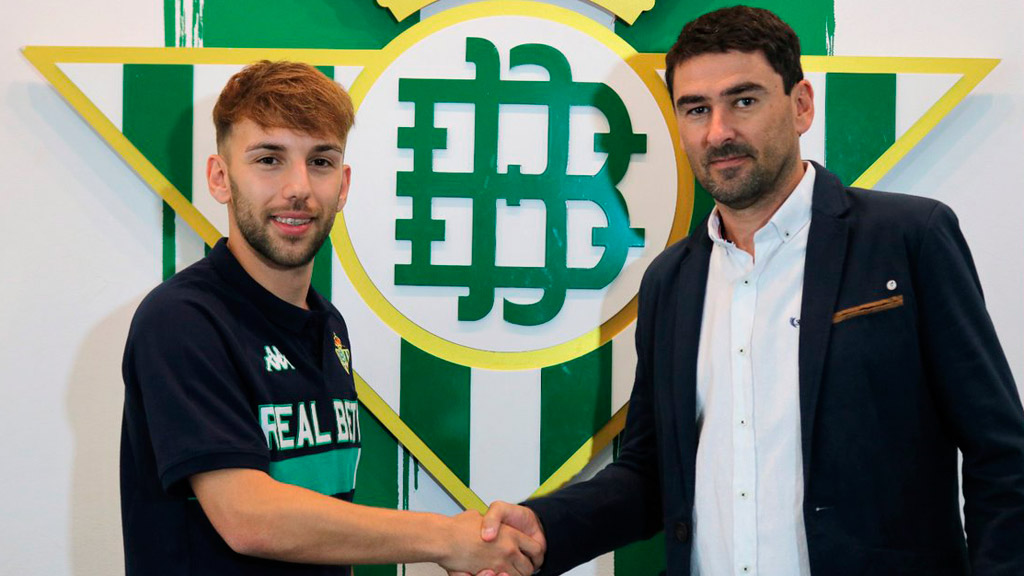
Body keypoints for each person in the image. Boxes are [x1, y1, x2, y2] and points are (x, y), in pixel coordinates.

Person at [469, 6, 1024, 575]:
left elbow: (1002, 455)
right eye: (696, 109)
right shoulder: (670, 282)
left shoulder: (909, 239)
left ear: (801, 105)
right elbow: (651, 471)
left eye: (744, 101)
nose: (719, 132)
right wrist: (546, 529)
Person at [120, 60, 541, 576]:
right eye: (269, 159)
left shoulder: (329, 325)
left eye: (319, 162)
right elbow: (247, 516)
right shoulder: (182, 320)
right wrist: (445, 538)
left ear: (342, 185)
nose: (298, 187)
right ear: (220, 177)